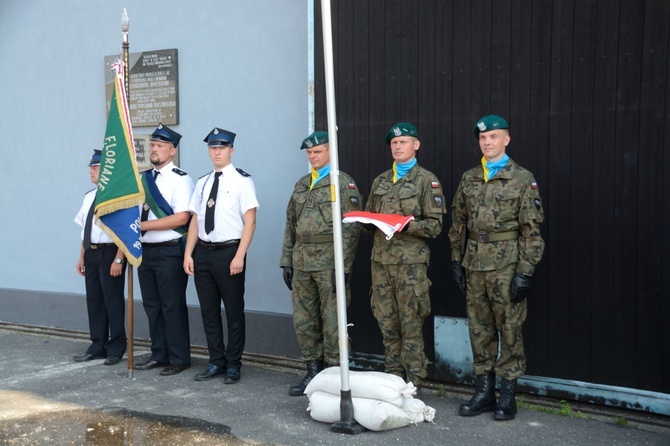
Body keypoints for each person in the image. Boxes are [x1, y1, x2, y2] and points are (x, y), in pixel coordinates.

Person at [449, 115, 545, 421]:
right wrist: (456, 259)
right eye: (482, 138)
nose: (487, 142)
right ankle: (484, 392)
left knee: (510, 329)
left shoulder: (521, 178)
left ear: (506, 139)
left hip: (506, 265)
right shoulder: (470, 178)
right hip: (474, 264)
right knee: (479, 329)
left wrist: (525, 272)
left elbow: (531, 230)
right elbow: (458, 223)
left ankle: (507, 395)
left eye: (493, 137)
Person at [365, 122, 445, 399]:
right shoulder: (381, 181)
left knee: (411, 325)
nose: (398, 147)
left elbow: (435, 227)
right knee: (387, 323)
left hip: (410, 267)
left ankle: (413, 382)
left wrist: (405, 225)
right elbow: (372, 216)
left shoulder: (427, 180)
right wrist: (363, 220)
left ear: (416, 145)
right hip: (381, 264)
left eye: (403, 142)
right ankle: (392, 379)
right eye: (394, 143)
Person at [280, 131, 362, 396]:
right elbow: (290, 224)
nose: (313, 157)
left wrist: (344, 266)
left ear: (330, 152)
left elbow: (351, 227)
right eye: (309, 153)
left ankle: (336, 375)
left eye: (318, 152)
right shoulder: (302, 184)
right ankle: (312, 372)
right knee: (305, 321)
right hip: (302, 261)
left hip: (329, 263)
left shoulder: (342, 183)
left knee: (333, 321)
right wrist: (286, 261)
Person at [184, 127, 259, 384]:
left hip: (229, 252)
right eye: (213, 148)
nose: (217, 152)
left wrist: (239, 256)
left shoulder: (242, 181)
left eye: (222, 148)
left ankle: (233, 364)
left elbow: (250, 222)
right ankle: (215, 361)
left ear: (231, 151)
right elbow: (195, 219)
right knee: (209, 311)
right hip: (203, 252)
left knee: (234, 311)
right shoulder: (203, 182)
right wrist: (188, 254)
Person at [136, 123, 194, 376]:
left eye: (160, 146)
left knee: (172, 305)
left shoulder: (181, 179)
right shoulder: (143, 178)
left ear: (172, 151)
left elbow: (182, 218)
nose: (155, 149)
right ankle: (159, 354)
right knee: (152, 305)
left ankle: (179, 358)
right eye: (153, 145)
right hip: (146, 250)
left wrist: (143, 225)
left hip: (170, 251)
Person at [73, 149, 127, 366]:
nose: (91, 172)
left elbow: (125, 231)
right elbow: (85, 230)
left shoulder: (117, 197)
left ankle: (116, 348)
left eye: (95, 168)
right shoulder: (89, 196)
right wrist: (81, 257)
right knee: (94, 301)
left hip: (110, 252)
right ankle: (97, 345)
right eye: (91, 168)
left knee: (112, 301)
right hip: (92, 252)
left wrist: (119, 258)